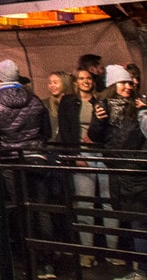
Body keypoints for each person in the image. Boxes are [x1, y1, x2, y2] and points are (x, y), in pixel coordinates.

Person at [0, 58, 56, 279]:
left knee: (20, 209)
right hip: (37, 158)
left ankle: (30, 261)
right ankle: (48, 262)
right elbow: (46, 132)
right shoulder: (35, 100)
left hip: (11, 163)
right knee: (41, 208)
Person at [88, 64, 147, 280]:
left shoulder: (138, 108)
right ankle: (137, 268)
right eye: (123, 82)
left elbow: (130, 140)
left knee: (139, 223)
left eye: (130, 83)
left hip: (134, 173)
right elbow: (96, 137)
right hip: (121, 174)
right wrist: (99, 121)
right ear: (113, 85)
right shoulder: (104, 108)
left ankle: (141, 271)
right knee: (132, 222)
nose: (128, 87)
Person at [61, 63, 119, 265]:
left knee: (109, 203)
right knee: (85, 203)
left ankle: (113, 251)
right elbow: (66, 131)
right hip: (81, 156)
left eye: (89, 78)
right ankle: (87, 252)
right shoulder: (69, 102)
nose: (86, 81)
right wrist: (75, 155)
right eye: (82, 78)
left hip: (101, 156)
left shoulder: (100, 102)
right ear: (76, 82)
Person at [44, 70, 75, 141]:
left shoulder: (74, 103)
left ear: (65, 83)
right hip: (51, 146)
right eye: (50, 83)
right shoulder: (45, 104)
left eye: (55, 82)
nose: (52, 85)